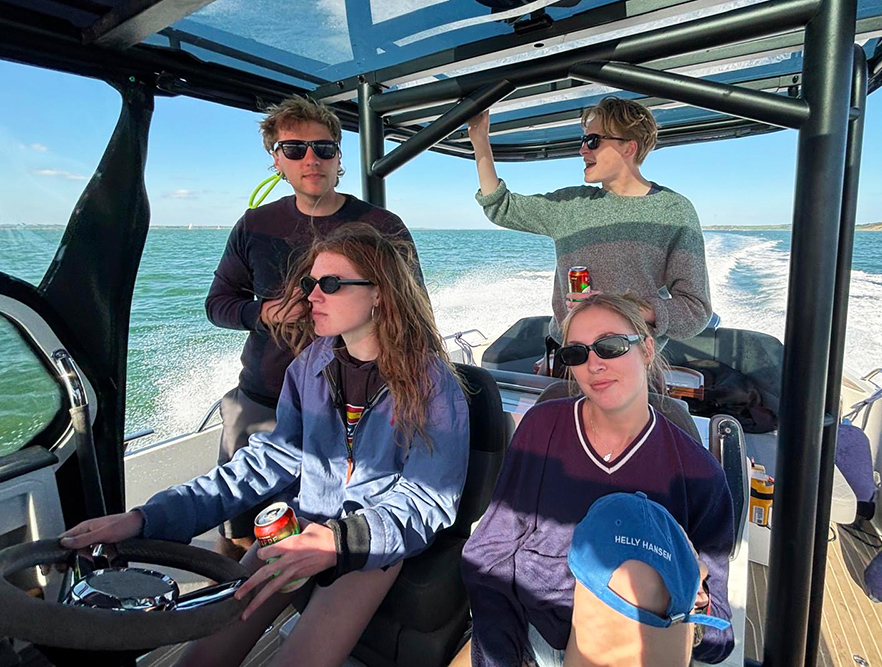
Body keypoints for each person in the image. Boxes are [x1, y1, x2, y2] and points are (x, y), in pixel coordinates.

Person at [61, 224, 469, 667]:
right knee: (200, 657)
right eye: (310, 283)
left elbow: (426, 500)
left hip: (373, 543)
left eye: (331, 284)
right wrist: (145, 518)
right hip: (302, 524)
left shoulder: (432, 385)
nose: (312, 296)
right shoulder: (310, 366)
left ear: (379, 294)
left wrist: (338, 541)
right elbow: (266, 462)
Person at [459, 293, 733, 666]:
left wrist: (684, 598)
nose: (594, 365)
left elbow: (718, 635)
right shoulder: (541, 430)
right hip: (526, 629)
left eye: (611, 346)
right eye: (576, 353)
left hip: (628, 643)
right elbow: (489, 552)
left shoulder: (699, 473)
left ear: (647, 349)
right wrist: (501, 655)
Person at [206, 95, 423, 558]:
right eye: (295, 149)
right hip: (264, 401)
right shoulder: (255, 226)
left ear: (339, 158)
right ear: (276, 159)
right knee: (243, 533)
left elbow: (413, 312)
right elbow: (218, 304)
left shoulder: (381, 225)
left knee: (326, 535)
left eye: (324, 149)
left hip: (354, 410)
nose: (311, 159)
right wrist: (261, 313)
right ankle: (239, 610)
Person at [468, 97, 711, 374]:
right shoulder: (571, 206)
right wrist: (479, 140)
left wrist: (632, 310)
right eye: (583, 141)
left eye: (593, 141)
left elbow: (695, 311)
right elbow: (501, 207)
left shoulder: (673, 211)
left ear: (628, 147)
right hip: (569, 358)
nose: (583, 150)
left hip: (633, 364)